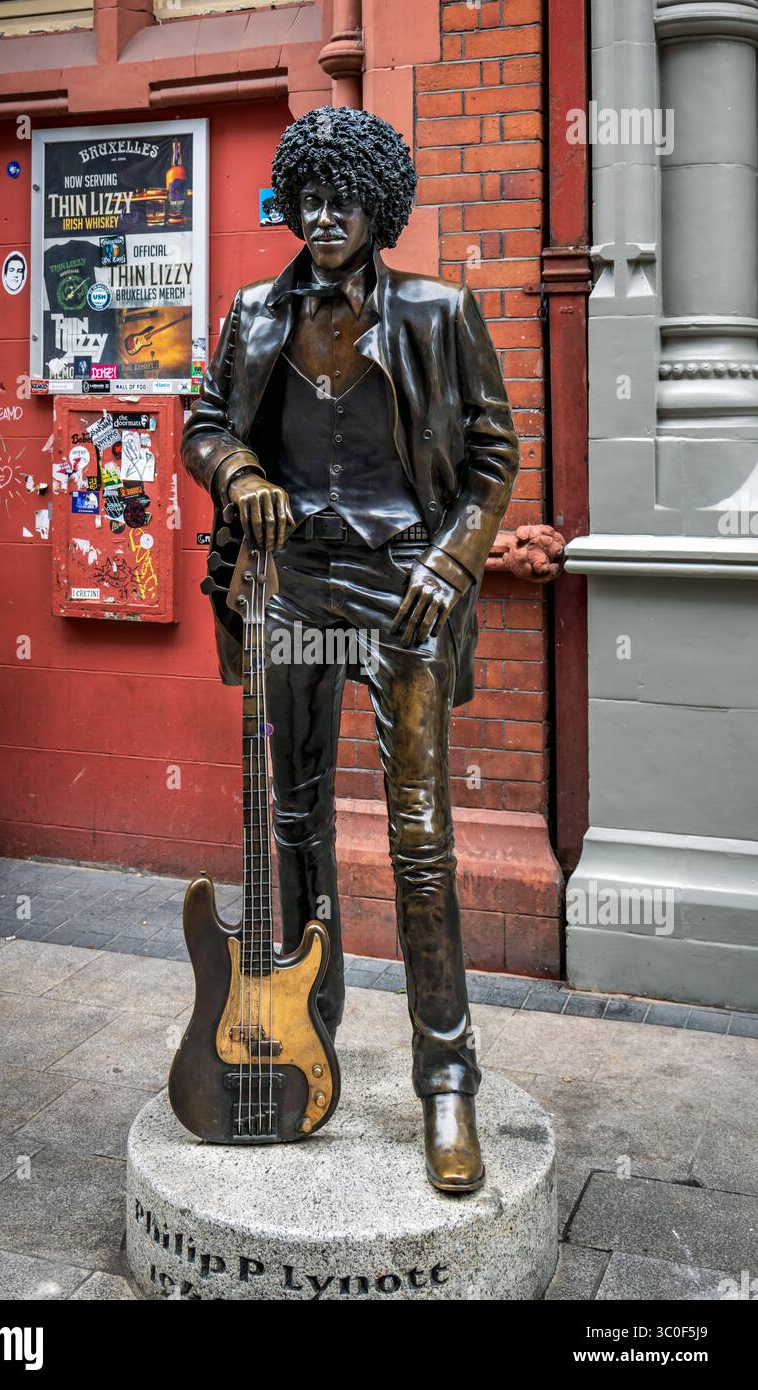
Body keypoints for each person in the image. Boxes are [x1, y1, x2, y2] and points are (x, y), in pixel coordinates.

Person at [182, 106, 519, 1192]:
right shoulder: (255, 313)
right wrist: (237, 474)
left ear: (378, 208)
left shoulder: (434, 312)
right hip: (291, 583)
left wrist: (452, 562)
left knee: (419, 834)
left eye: (343, 198)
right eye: (307, 197)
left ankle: (446, 1077)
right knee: (293, 815)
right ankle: (302, 1021)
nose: (322, 216)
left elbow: (490, 453)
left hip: (401, 586)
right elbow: (203, 420)